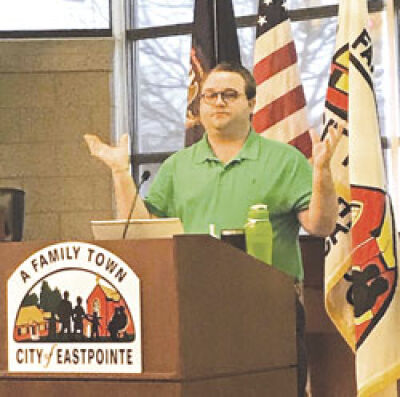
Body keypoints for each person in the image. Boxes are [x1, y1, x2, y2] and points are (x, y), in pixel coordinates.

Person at [85, 62, 341, 395]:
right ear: (199, 106)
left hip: (268, 305)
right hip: (196, 307)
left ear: (251, 104)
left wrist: (321, 174)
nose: (218, 102)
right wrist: (121, 173)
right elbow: (141, 230)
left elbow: (321, 225)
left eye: (229, 95)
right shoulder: (178, 166)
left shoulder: (285, 159)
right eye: (210, 96)